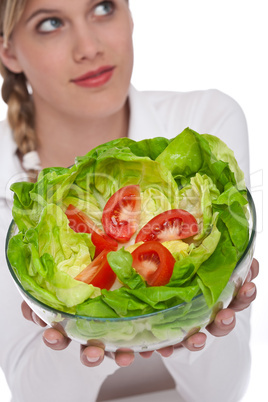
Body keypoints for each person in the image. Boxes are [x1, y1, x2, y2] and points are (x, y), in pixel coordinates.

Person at [0, 0, 259, 401]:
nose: (89, 46)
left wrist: (201, 331)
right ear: (8, 50)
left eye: (103, 7)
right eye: (50, 22)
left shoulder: (207, 118)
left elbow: (222, 392)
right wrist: (81, 334)